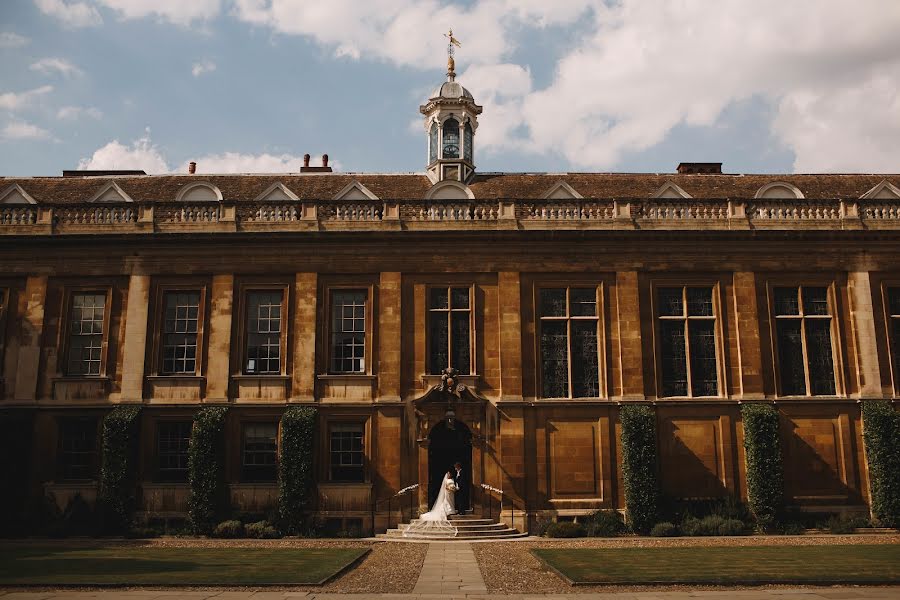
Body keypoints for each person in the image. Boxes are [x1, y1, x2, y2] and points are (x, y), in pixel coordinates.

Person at [401, 471, 458, 538]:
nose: (449, 475)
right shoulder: (446, 480)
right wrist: (449, 488)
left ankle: (451, 510)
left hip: (451, 493)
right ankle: (448, 510)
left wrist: (454, 488)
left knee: (451, 502)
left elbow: (453, 485)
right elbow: (445, 487)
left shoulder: (452, 479)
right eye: (448, 474)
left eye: (449, 474)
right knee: (447, 502)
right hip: (448, 492)